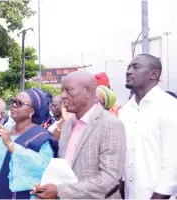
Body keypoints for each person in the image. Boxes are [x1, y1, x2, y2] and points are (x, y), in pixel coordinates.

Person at [32, 71, 126, 199]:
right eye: (62, 91)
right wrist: (48, 187)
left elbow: (109, 179)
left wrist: (60, 190)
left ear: (87, 91)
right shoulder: (67, 124)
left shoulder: (110, 123)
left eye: (68, 90)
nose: (63, 96)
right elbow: (65, 169)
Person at [119, 54, 177, 199]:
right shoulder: (125, 111)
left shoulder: (169, 107)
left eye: (136, 67)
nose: (128, 71)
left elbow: (173, 163)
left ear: (154, 74)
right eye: (128, 67)